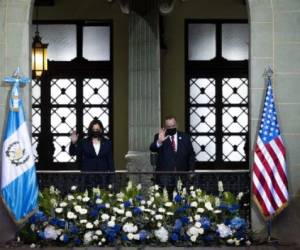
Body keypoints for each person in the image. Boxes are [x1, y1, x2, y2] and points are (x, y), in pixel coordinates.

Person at [150, 116, 195, 189]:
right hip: (164, 176)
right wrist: (159, 141)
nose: (171, 128)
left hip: (182, 174)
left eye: (173, 126)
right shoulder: (160, 136)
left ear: (176, 125)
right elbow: (152, 148)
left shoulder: (185, 137)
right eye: (169, 126)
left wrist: (191, 169)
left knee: (181, 198)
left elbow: (191, 155)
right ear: (165, 127)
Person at [69, 119, 115, 187]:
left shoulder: (107, 142)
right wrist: (73, 143)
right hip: (87, 177)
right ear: (90, 130)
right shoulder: (84, 142)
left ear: (101, 130)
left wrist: (112, 178)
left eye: (97, 129)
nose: (95, 131)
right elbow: (72, 153)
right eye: (93, 129)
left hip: (103, 178)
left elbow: (110, 160)